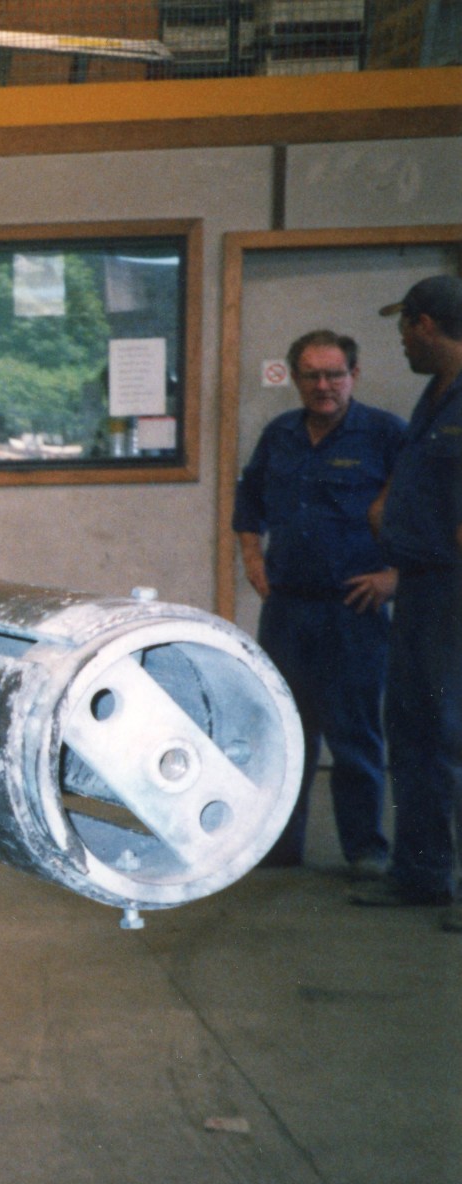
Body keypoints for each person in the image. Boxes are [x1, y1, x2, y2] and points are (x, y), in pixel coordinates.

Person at [232, 329, 402, 872]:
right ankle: (281, 849)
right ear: (295, 378)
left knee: (354, 734)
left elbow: (429, 510)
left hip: (354, 610)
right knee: (284, 732)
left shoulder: (385, 434)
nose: (323, 386)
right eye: (312, 376)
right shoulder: (280, 433)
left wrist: (395, 576)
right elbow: (248, 499)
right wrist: (252, 556)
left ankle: (365, 850)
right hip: (287, 610)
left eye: (334, 375)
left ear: (354, 375)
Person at [349, 276, 462, 921]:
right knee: (413, 730)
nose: (400, 341)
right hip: (421, 586)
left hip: (453, 590)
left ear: (425, 323)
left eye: (403, 327)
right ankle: (421, 873)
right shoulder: (435, 396)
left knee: (453, 732)